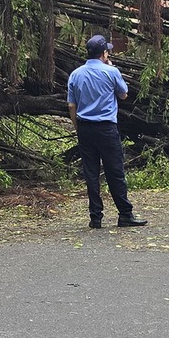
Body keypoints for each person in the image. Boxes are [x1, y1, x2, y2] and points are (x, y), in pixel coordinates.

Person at [66, 35, 146, 230]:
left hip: (85, 127)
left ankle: (96, 217)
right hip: (107, 128)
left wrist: (77, 126)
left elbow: (71, 105)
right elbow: (123, 94)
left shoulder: (75, 74)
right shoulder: (111, 71)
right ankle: (125, 214)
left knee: (91, 173)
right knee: (115, 171)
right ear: (104, 53)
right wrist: (110, 67)